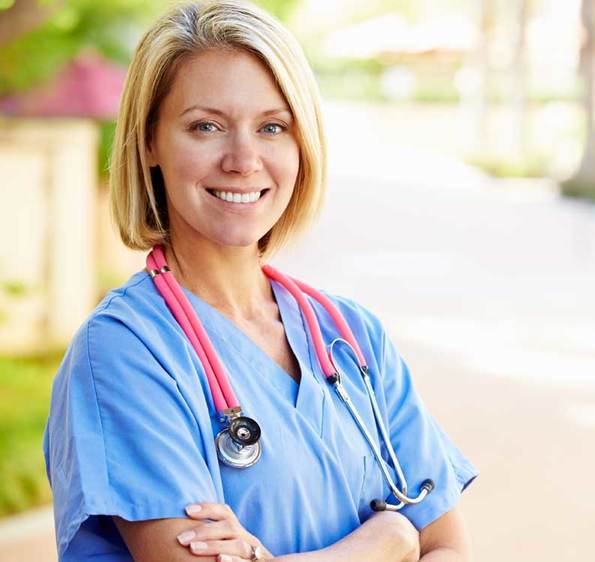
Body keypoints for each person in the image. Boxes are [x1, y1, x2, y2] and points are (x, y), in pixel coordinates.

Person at [42, 1, 478, 560]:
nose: (243, 159)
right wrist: (387, 540)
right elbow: (415, 538)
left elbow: (447, 546)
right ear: (149, 142)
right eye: (206, 126)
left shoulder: (350, 336)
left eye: (272, 127)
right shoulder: (124, 352)